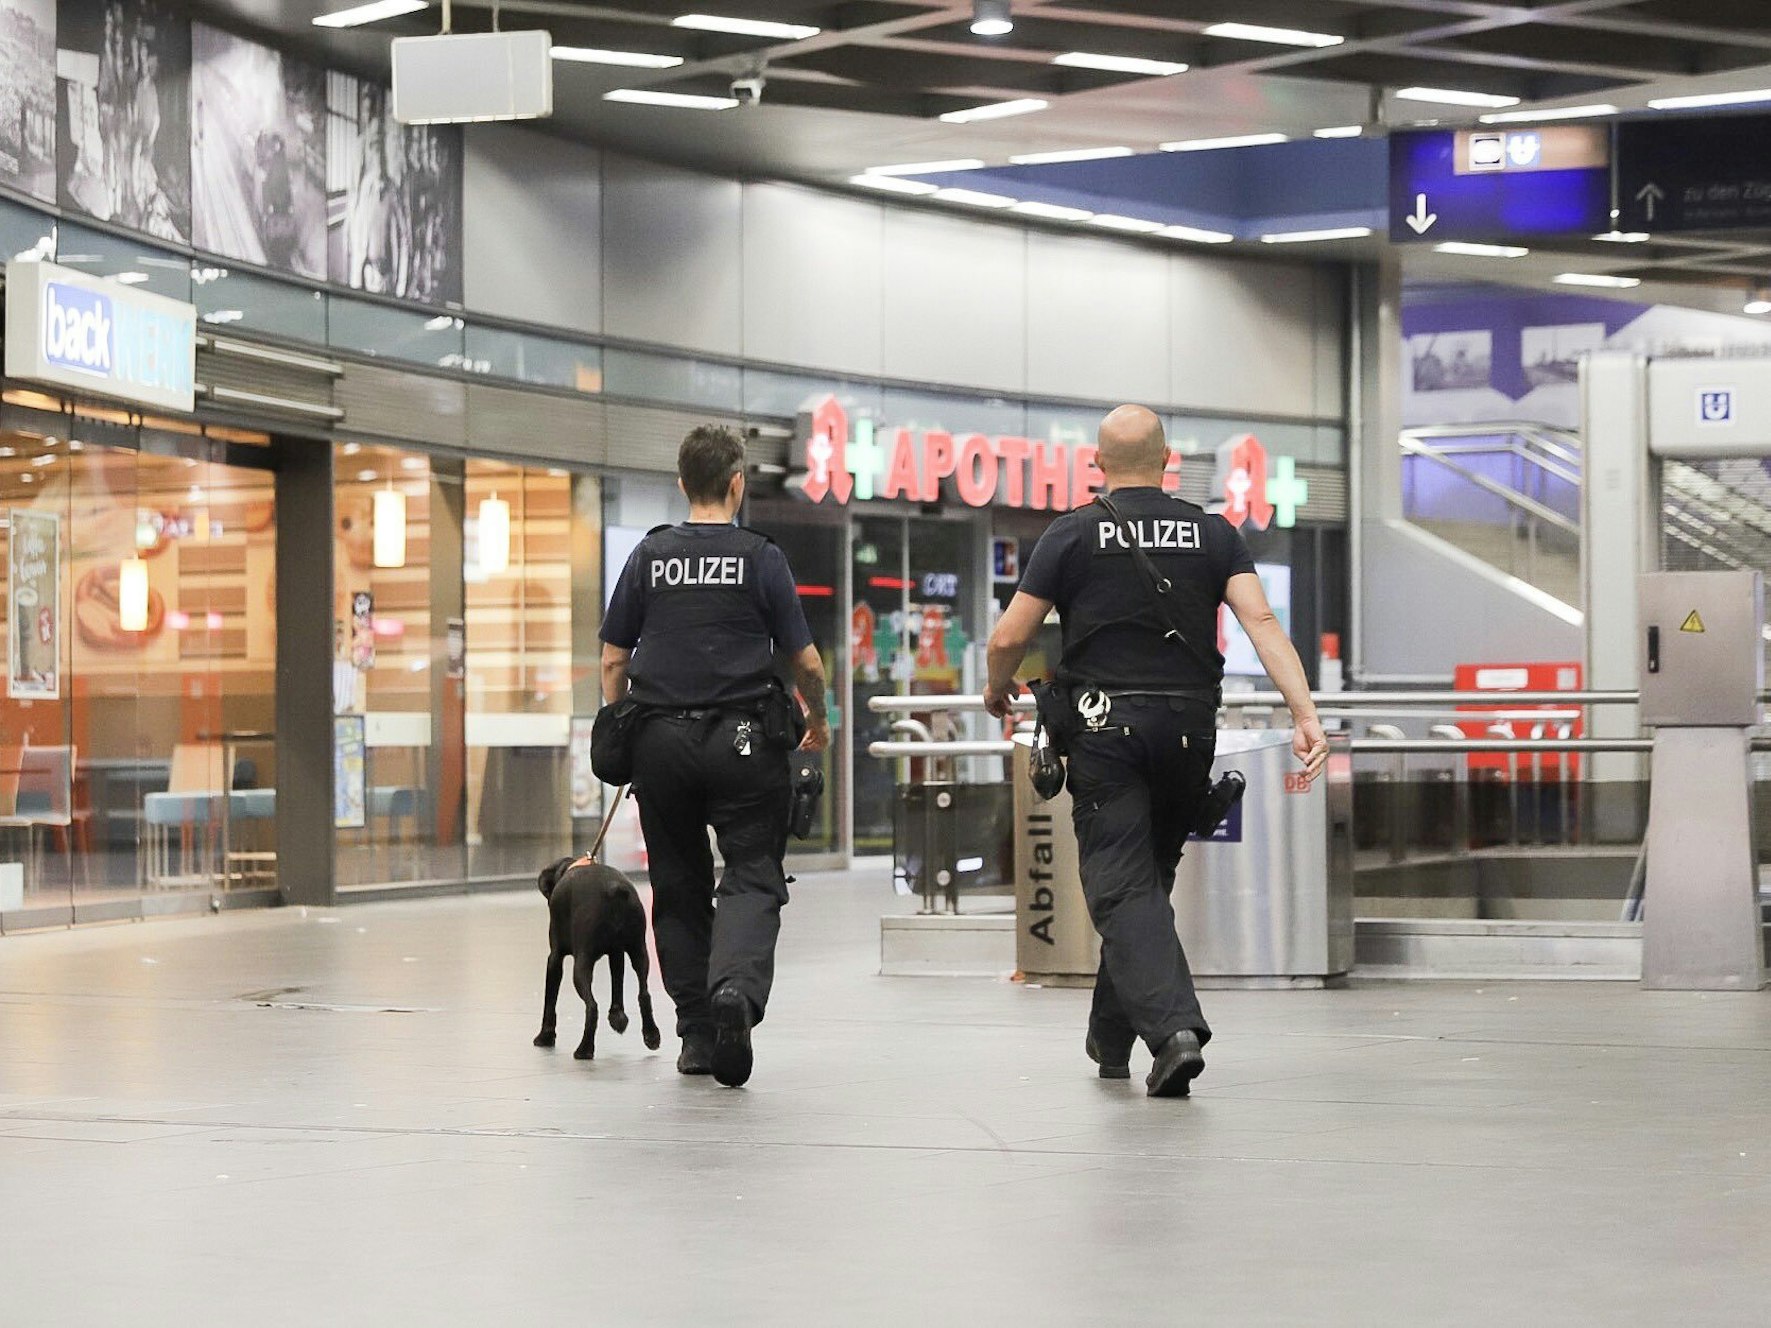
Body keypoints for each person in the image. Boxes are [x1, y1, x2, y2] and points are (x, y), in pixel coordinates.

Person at [984, 405, 1328, 1099]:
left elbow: (1006, 637)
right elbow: (1259, 620)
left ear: (1096, 464)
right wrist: (1303, 711)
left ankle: (1173, 1032)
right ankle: (1110, 1036)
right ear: (1171, 461)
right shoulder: (1211, 532)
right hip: (1186, 731)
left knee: (1119, 884)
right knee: (1144, 881)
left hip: (1106, 730)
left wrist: (998, 691)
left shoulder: (1072, 533)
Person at [600, 425, 831, 1088]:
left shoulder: (649, 557)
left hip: (660, 743)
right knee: (752, 874)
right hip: (744, 740)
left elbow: (615, 656)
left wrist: (618, 723)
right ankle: (734, 992)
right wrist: (818, 720)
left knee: (677, 884)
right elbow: (805, 661)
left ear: (682, 483)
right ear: (737, 484)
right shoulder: (759, 556)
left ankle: (697, 1033)